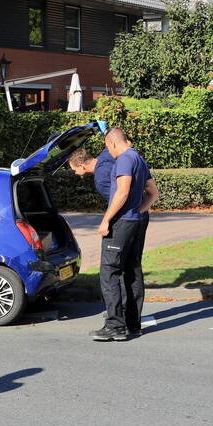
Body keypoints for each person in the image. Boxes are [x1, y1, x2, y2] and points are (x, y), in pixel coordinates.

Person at [91, 128, 158, 342]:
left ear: (111, 143)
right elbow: (154, 193)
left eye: (107, 147)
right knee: (132, 270)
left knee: (109, 271)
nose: (107, 152)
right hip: (135, 222)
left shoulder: (123, 159)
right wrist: (139, 210)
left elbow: (122, 192)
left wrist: (106, 219)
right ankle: (133, 324)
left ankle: (115, 326)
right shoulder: (139, 158)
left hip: (121, 224)